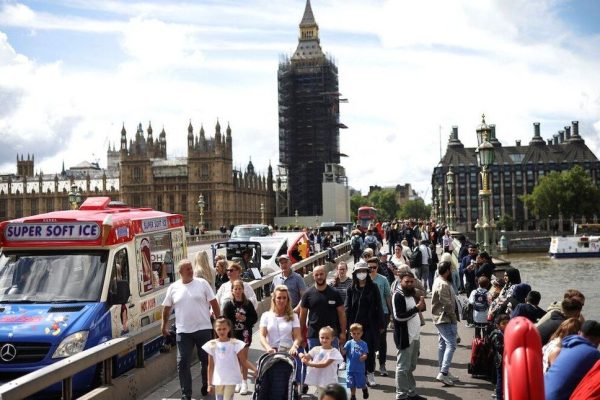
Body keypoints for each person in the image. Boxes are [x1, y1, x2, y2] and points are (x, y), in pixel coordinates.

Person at [161, 259, 221, 399]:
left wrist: (219, 322)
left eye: (191, 268)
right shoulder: (173, 287)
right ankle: (186, 394)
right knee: (182, 363)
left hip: (203, 329)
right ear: (180, 272)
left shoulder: (202, 283)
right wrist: (163, 326)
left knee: (206, 360)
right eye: (187, 269)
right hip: (183, 332)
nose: (191, 270)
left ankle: (206, 384)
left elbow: (214, 303)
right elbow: (167, 308)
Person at [345, 262, 385, 387]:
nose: (361, 274)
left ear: (367, 273)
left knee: (369, 350)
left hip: (370, 325)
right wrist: (345, 327)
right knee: (354, 351)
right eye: (359, 271)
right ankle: (357, 374)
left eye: (364, 271)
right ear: (355, 273)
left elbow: (379, 305)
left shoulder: (373, 287)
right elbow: (347, 308)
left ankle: (370, 373)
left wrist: (382, 324)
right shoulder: (351, 288)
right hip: (355, 326)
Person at [202, 317, 256, 400]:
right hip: (218, 380)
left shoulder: (235, 343)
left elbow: (243, 361)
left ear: (229, 328)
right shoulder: (212, 344)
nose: (222, 331)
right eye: (219, 329)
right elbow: (210, 366)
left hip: (231, 379)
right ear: (215, 329)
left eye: (224, 329)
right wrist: (209, 384)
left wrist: (255, 370)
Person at [544, 320, 600, 400]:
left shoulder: (566, 345)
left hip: (540, 392)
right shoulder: (594, 355)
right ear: (598, 339)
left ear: (579, 332)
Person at [393, 270, 426, 400]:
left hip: (415, 336)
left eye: (411, 282)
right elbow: (399, 317)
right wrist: (416, 309)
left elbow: (417, 309)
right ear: (400, 281)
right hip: (405, 337)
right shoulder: (398, 295)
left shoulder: (411, 293)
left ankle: (411, 393)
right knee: (402, 367)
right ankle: (401, 395)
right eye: (406, 281)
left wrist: (420, 307)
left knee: (411, 366)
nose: (409, 284)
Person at [222, 279, 258, 394]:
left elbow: (255, 318)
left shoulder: (248, 303)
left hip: (245, 333)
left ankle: (244, 382)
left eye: (239, 288)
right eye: (235, 289)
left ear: (243, 290)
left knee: (243, 358)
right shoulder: (228, 304)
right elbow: (225, 321)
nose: (237, 291)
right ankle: (238, 380)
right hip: (233, 334)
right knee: (236, 359)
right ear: (232, 291)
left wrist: (245, 319)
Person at [300, 265, 347, 351]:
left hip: (332, 336)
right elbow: (302, 316)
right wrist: (300, 335)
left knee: (332, 363)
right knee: (314, 363)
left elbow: (342, 314)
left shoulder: (335, 293)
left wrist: (343, 333)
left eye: (321, 274)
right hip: (313, 336)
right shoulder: (307, 294)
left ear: (325, 275)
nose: (319, 277)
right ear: (313, 276)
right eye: (316, 275)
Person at [431, 261, 459, 386]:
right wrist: (454, 318)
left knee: (443, 345)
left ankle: (444, 371)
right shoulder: (443, 284)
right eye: (450, 269)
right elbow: (447, 304)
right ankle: (443, 372)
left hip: (440, 318)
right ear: (447, 271)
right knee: (451, 345)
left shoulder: (438, 280)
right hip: (445, 318)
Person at [301, 326, 344, 398]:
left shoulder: (334, 351)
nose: (324, 340)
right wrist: (302, 355)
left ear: (332, 338)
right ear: (319, 337)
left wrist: (309, 364)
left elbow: (324, 364)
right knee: (321, 396)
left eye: (327, 338)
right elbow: (307, 356)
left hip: (330, 380)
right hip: (320, 379)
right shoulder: (316, 349)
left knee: (330, 397)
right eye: (322, 337)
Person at [259, 285, 302, 355]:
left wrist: (294, 347)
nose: (282, 300)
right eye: (279, 298)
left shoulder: (294, 316)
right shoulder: (265, 315)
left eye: (284, 298)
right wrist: (268, 348)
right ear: (274, 299)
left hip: (288, 352)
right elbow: (262, 336)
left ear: (287, 300)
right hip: (272, 352)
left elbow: (298, 337)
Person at [367, 257, 392, 377]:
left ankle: (382, 365)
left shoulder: (383, 280)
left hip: (383, 314)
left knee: (382, 340)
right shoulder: (363, 280)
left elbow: (388, 296)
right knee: (369, 341)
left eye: (374, 267)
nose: (372, 269)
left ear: (377, 267)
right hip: (368, 315)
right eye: (369, 267)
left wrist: (392, 314)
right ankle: (370, 367)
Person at [342, 323, 369, 400]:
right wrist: (341, 347)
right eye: (354, 333)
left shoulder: (364, 344)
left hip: (359, 368)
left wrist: (364, 357)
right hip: (350, 368)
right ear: (350, 334)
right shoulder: (349, 343)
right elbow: (344, 352)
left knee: (361, 382)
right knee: (351, 383)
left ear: (361, 333)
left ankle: (364, 389)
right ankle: (353, 396)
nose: (356, 335)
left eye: (358, 333)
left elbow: (365, 354)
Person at [490, 313, 510, 400]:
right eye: (504, 323)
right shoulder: (497, 334)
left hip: (507, 360)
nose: (506, 325)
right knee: (500, 380)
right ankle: (499, 397)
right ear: (498, 325)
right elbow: (498, 347)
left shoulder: (508, 332)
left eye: (508, 323)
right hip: (500, 361)